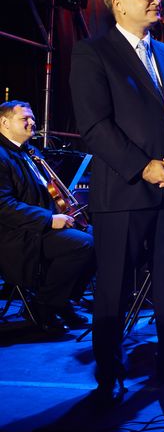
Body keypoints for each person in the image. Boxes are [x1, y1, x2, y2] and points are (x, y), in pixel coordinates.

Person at [69, 0, 164, 402]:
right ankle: (108, 376)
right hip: (123, 191)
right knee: (114, 288)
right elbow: (94, 126)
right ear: (119, 5)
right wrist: (143, 167)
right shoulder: (93, 53)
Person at [0, 101, 94, 333]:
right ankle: (44, 305)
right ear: (4, 122)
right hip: (17, 235)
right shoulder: (2, 156)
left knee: (100, 239)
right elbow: (3, 205)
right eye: (24, 119)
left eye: (32, 118)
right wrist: (50, 219)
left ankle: (62, 301)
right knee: (83, 244)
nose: (32, 122)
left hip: (39, 228)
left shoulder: (31, 152)